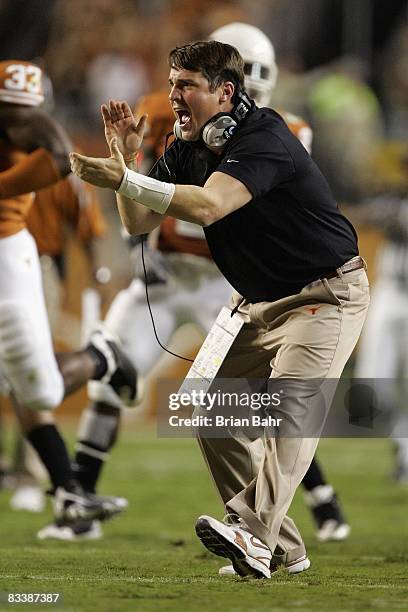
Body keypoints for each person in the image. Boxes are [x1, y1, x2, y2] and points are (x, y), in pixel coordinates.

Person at [71, 40, 369, 579]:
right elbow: (136, 225)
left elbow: (210, 205)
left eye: (185, 86)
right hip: (254, 303)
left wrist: (124, 179)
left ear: (225, 92)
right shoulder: (185, 143)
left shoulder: (266, 136)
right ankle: (283, 549)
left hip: (322, 294)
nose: (173, 96)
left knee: (291, 411)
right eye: (171, 84)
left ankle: (253, 534)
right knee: (209, 411)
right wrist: (126, 161)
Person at [0, 59, 137, 527]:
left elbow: (60, 159)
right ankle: (69, 492)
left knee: (38, 388)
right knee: (30, 386)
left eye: (25, 113)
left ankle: (102, 358)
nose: (19, 122)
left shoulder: (38, 141)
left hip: (10, 262)